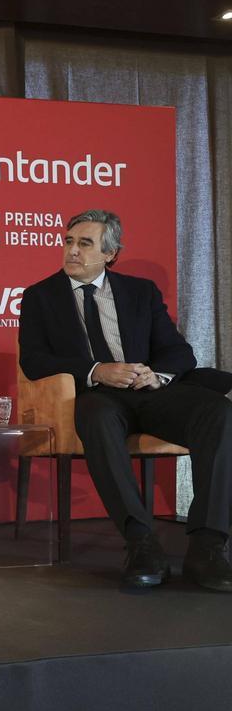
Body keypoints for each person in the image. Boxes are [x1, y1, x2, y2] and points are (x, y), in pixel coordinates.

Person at [19, 209, 232, 591]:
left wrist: (157, 375)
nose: (72, 251)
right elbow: (34, 360)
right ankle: (141, 541)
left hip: (148, 392)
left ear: (110, 253)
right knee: (97, 417)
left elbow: (179, 353)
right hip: (97, 396)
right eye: (68, 242)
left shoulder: (140, 292)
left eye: (85, 244)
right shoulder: (40, 297)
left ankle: (208, 546)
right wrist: (96, 370)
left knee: (218, 412)